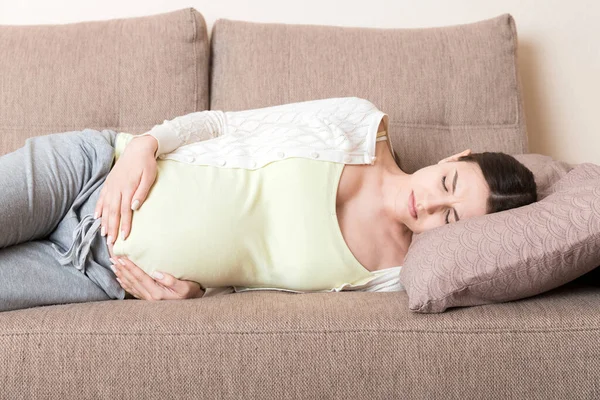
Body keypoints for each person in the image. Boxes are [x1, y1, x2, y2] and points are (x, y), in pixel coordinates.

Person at [0, 97, 536, 312]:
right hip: (89, 170)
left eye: (452, 219)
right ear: (455, 155)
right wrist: (145, 144)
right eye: (447, 182)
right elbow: (224, 123)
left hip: (100, 274)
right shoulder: (360, 124)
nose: (430, 205)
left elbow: (256, 277)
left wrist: (199, 288)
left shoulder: (393, 275)